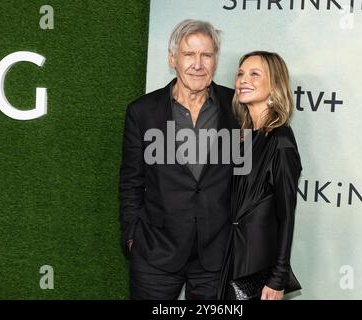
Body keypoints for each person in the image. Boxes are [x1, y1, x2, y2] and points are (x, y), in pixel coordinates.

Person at [119, 19, 239, 300]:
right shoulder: (143, 111)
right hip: (155, 254)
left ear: (215, 61)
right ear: (173, 58)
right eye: (189, 54)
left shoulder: (237, 109)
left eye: (206, 55)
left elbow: (248, 179)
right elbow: (131, 181)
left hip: (217, 257)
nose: (198, 64)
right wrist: (132, 236)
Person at [218, 51, 302, 300]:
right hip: (227, 257)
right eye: (240, 74)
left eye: (255, 74)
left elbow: (286, 215)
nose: (244, 80)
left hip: (256, 266)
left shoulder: (281, 140)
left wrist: (277, 279)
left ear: (275, 84)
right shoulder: (242, 137)